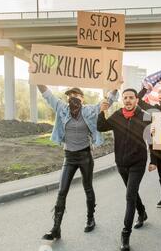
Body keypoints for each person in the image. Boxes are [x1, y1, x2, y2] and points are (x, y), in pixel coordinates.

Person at [37, 84, 119, 241]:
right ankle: (56, 229)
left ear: (82, 98)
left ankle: (90, 219)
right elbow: (48, 95)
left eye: (76, 94)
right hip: (69, 157)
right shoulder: (62, 108)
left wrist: (115, 86)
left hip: (85, 156)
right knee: (62, 191)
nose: (72, 97)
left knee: (88, 188)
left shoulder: (88, 110)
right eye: (69, 95)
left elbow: (108, 101)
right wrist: (38, 79)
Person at [97, 88, 151, 251]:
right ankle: (142, 212)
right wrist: (102, 111)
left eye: (131, 98)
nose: (128, 100)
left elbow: (156, 135)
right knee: (132, 192)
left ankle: (125, 234)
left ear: (136, 100)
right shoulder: (117, 116)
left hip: (138, 163)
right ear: (122, 100)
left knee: (129, 196)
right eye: (125, 98)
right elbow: (101, 127)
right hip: (121, 162)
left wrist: (155, 160)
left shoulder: (144, 116)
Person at [138, 86, 161, 218]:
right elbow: (138, 100)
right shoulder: (155, 110)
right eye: (160, 99)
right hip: (158, 149)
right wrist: (144, 89)